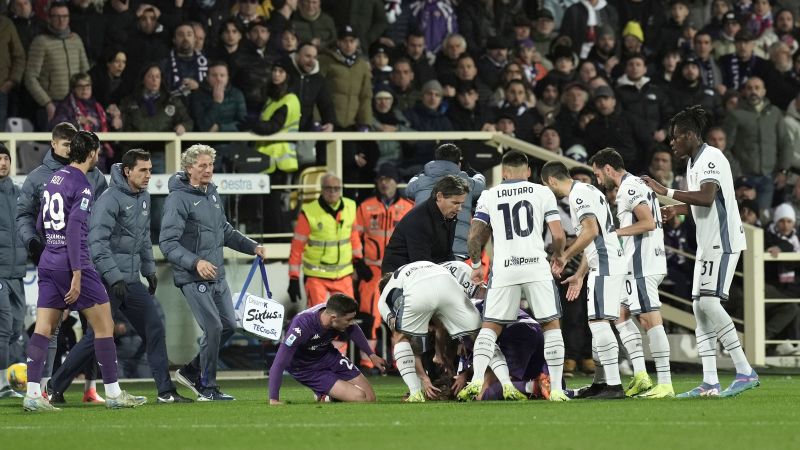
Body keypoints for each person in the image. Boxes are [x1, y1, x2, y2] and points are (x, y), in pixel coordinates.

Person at [22, 131, 146, 411]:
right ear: (90, 154)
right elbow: (76, 229)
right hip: (72, 262)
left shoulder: (55, 177)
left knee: (43, 328)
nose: (98, 156)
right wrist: (77, 273)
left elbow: (41, 220)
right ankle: (113, 394)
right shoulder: (83, 184)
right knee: (104, 325)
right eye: (97, 152)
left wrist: (48, 247)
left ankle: (32, 394)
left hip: (49, 260)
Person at [643, 105, 760, 398]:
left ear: (691, 135)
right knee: (699, 307)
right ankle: (710, 381)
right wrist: (678, 210)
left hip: (724, 241)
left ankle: (745, 371)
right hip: (708, 243)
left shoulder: (711, 157)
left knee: (708, 304)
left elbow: (707, 198)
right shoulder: (692, 162)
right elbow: (701, 202)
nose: (672, 142)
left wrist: (665, 191)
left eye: (676, 137)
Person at [81, 149, 192, 404]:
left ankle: (166, 391)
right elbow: (96, 243)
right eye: (143, 170)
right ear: (127, 171)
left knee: (154, 327)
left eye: (150, 170)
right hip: (108, 280)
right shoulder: (110, 199)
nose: (148, 175)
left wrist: (149, 271)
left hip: (131, 280)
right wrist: (113, 276)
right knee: (95, 337)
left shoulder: (143, 197)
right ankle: (56, 385)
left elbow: (143, 239)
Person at [159, 144, 268, 401]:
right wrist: (196, 262)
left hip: (216, 275)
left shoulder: (212, 194)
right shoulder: (177, 199)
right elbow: (168, 243)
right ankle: (207, 387)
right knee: (214, 326)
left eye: (210, 165)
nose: (208, 170)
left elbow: (225, 231)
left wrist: (252, 246)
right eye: (202, 166)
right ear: (189, 169)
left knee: (229, 325)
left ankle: (190, 371)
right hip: (194, 276)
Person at [458, 151, 569, 402]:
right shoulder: (542, 192)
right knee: (551, 326)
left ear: (504, 173)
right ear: (528, 171)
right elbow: (558, 235)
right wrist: (559, 255)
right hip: (535, 266)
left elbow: (475, 236)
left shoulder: (489, 194)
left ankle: (476, 381)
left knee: (490, 328)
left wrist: (476, 264)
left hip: (505, 267)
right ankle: (558, 391)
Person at [16, 122, 107, 394]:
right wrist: (32, 241)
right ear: (53, 144)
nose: (69, 149)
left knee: (92, 326)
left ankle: (86, 388)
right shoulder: (37, 178)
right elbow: (24, 215)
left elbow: (100, 217)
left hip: (81, 258)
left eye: (73, 144)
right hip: (59, 259)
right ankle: (46, 388)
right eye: (65, 144)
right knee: (55, 327)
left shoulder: (94, 176)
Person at [589, 148, 675, 398]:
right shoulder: (637, 184)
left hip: (642, 264)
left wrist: (615, 234)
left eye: (597, 174)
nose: (597, 180)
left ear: (608, 169)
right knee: (620, 314)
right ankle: (640, 376)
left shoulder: (629, 186)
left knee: (649, 320)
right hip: (636, 263)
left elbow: (647, 222)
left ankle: (666, 383)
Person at [541, 160, 627, 400]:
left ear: (551, 181)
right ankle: (600, 383)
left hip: (606, 263)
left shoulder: (577, 196)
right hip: (603, 261)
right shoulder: (588, 190)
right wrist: (579, 274)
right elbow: (593, 236)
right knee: (596, 323)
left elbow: (591, 232)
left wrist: (564, 257)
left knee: (599, 323)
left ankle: (613, 385)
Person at [377, 260, 485, 402]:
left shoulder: (386, 300)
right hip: (449, 284)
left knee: (401, 338)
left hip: (438, 286)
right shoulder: (416, 271)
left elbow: (403, 339)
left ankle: (415, 393)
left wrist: (424, 378)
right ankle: (489, 380)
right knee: (483, 332)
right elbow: (442, 325)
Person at [268, 293, 386, 404]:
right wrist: (273, 399)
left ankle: (329, 393)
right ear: (333, 318)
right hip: (306, 368)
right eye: (349, 320)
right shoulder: (301, 327)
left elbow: (353, 329)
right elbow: (279, 363)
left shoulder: (334, 313)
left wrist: (372, 355)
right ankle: (324, 395)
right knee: (360, 397)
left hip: (328, 356)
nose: (351, 323)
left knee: (370, 398)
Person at [354, 164, 414, 367]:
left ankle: (400, 364)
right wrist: (358, 261)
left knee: (399, 318)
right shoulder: (365, 206)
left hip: (398, 272)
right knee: (370, 318)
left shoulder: (408, 207)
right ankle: (367, 364)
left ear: (396, 181)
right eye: (381, 179)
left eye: (388, 178)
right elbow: (355, 236)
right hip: (371, 272)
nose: (384, 182)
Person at [287, 173, 362, 306]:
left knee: (346, 318)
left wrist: (359, 261)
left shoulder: (350, 206)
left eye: (336, 188)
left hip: (343, 275)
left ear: (341, 189)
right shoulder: (309, 212)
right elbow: (297, 247)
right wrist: (294, 277)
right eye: (328, 188)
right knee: (318, 319)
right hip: (317, 276)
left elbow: (354, 237)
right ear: (322, 189)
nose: (332, 192)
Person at [406, 144, 486, 261]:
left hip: (423, 251)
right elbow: (481, 185)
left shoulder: (420, 181)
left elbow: (409, 190)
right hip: (456, 253)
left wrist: (422, 173)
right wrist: (474, 172)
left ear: (435, 160)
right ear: (459, 163)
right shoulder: (466, 181)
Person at [382, 175, 469, 273]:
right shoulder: (419, 221)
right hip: (397, 277)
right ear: (439, 196)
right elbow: (422, 265)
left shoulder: (449, 215)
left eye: (461, 204)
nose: (459, 208)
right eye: (455, 203)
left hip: (420, 271)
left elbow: (447, 254)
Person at [24, 1, 90, 129]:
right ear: (49, 18)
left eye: (65, 16)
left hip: (76, 103)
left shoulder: (75, 39)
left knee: (78, 146)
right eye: (57, 17)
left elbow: (85, 72)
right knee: (55, 147)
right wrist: (47, 102)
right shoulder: (41, 42)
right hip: (53, 104)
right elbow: (30, 77)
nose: (61, 20)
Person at [0, 144, 27, 399]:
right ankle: (1, 383)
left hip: (17, 273)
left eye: (6, 158)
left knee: (18, 327)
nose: (3, 163)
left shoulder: (19, 194)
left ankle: (7, 380)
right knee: (4, 326)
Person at [189, 61, 247, 132]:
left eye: (222, 75)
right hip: (206, 141)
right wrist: (217, 102)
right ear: (207, 78)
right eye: (214, 75)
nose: (218, 79)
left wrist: (220, 128)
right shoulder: (198, 95)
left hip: (231, 140)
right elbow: (202, 126)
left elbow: (243, 124)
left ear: (227, 78)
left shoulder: (237, 94)